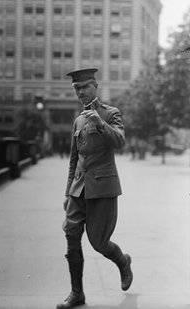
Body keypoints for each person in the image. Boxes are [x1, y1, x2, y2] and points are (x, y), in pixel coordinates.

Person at [56, 68, 133, 309]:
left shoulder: (111, 113)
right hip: (79, 190)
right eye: (76, 89)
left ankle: (123, 262)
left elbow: (120, 141)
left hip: (103, 188)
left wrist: (101, 124)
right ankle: (76, 293)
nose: (80, 92)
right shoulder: (78, 120)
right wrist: (68, 193)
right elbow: (73, 160)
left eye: (84, 87)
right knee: (71, 233)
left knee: (99, 243)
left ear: (95, 85)